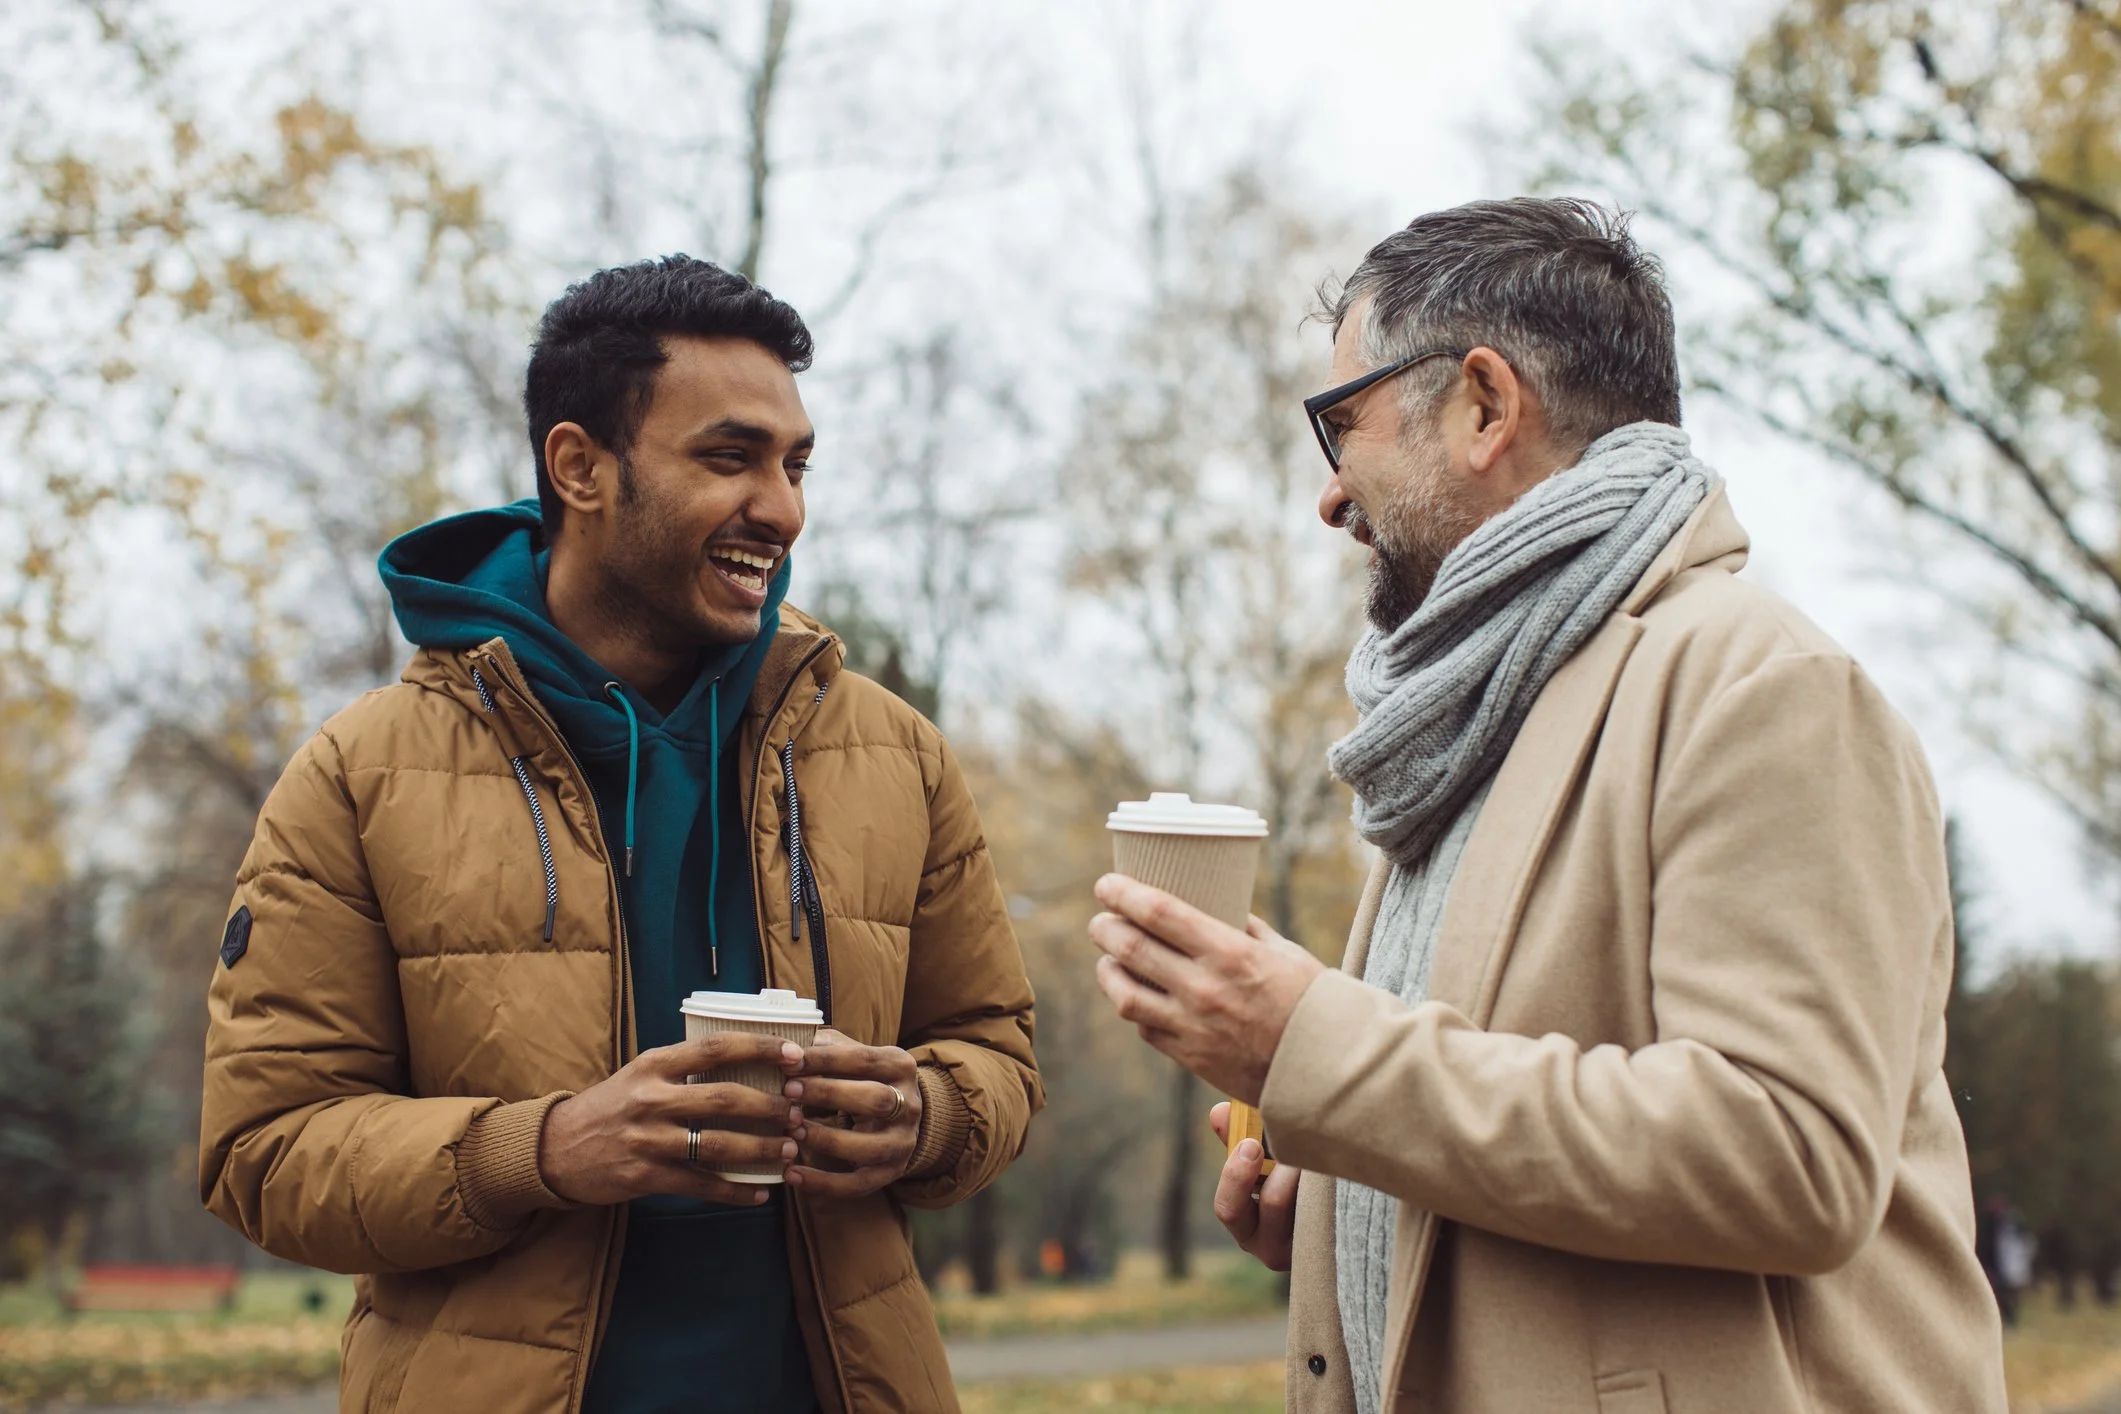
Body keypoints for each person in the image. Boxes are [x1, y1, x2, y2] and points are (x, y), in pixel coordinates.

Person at [1086, 198, 2006, 1412]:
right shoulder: (1475, 722)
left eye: (1339, 424)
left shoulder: (1763, 688)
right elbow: (1504, 1116)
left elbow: (1789, 1154)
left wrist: (1311, 1044)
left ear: (1481, 404)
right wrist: (1349, 1203)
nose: (1329, 496)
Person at [199, 255, 1041, 1414]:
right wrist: (543, 1149)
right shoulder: (357, 776)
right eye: (730, 457)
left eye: (796, 465)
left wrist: (924, 1114)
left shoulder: (896, 757)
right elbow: (264, 1149)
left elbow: (996, 1053)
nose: (784, 508)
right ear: (581, 466)